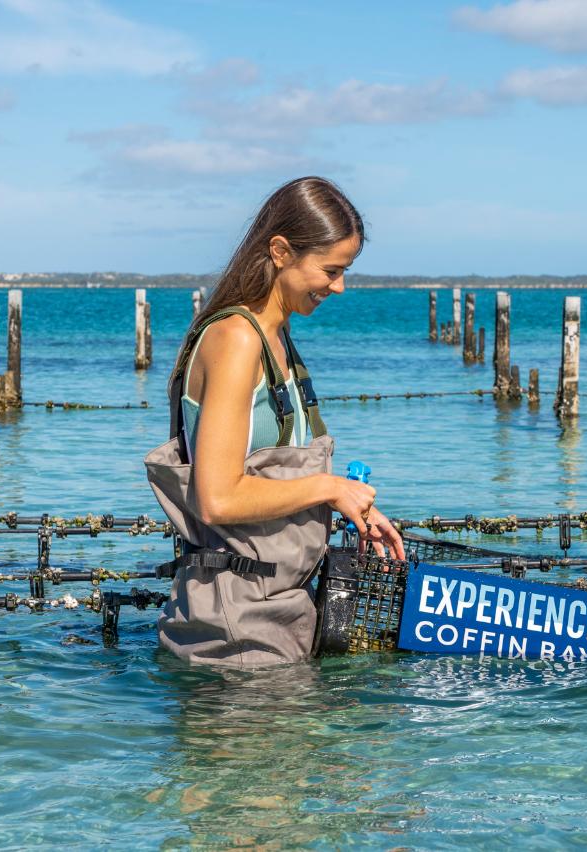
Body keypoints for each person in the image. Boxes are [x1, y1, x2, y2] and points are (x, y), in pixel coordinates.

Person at [146, 176, 405, 668]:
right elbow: (217, 497)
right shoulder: (237, 338)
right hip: (235, 627)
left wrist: (360, 511)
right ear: (281, 250)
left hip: (281, 606)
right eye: (330, 270)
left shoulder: (279, 339)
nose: (340, 286)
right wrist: (330, 489)